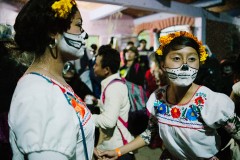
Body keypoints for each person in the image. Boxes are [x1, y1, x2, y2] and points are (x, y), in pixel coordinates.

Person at [98, 31, 240, 160]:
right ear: (163, 65)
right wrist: (117, 152)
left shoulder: (210, 101)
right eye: (177, 58)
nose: (185, 66)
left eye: (191, 59)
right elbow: (149, 134)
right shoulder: (158, 98)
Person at [8, 0, 95, 160]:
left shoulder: (52, 82)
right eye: (78, 25)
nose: (85, 34)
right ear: (53, 32)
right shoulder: (40, 93)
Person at [90, 45, 134, 160]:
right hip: (113, 146)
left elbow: (109, 121)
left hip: (119, 149)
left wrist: (87, 118)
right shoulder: (112, 84)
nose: (94, 67)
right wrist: (98, 103)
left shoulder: (114, 88)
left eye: (96, 64)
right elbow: (112, 105)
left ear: (106, 70)